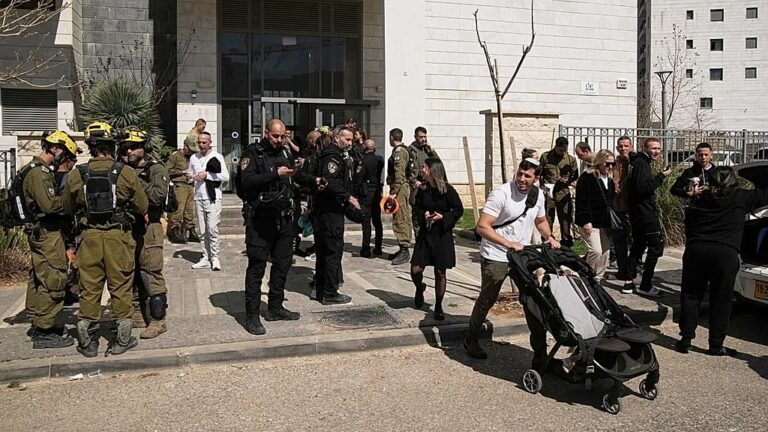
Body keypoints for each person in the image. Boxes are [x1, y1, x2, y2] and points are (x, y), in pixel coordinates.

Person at [463, 159, 560, 365]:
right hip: (496, 254)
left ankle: (540, 353)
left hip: (521, 255)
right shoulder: (501, 194)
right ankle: (471, 338)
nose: (522, 179)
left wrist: (549, 237)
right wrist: (507, 243)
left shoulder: (538, 195)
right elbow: (482, 227)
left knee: (533, 300)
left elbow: (540, 221)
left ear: (536, 178)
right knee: (488, 299)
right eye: (520, 174)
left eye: (528, 176)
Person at [63, 122, 148, 357]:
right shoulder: (126, 172)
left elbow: (67, 207)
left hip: (89, 238)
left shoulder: (77, 174)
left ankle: (87, 339)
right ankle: (121, 339)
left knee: (89, 288)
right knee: (120, 286)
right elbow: (142, 205)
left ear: (90, 146)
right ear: (112, 146)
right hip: (117, 238)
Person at [675, 166, 768, 356]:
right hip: (725, 254)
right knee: (721, 300)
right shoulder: (741, 197)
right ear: (733, 181)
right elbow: (765, 195)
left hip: (696, 251)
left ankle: (685, 339)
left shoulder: (698, 198)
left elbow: (689, 225)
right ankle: (716, 345)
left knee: (691, 296)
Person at [239, 119, 321, 335]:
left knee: (282, 265)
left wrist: (314, 181)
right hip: (261, 221)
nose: (278, 140)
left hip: (284, 220)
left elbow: (296, 176)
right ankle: (252, 316)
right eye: (275, 136)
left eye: (282, 136)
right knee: (257, 268)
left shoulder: (285, 152)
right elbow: (247, 181)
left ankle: (275, 307)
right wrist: (276, 174)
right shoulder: (253, 153)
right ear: (266, 133)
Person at [20, 130, 79, 349]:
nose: (65, 159)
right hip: (47, 233)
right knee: (53, 277)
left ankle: (40, 322)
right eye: (65, 153)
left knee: (40, 275)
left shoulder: (36, 170)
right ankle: (44, 329)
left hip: (41, 232)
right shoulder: (40, 173)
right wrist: (72, 198)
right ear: (55, 148)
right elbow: (50, 205)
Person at [121, 129, 170, 339]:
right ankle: (137, 314)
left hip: (150, 227)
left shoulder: (156, 169)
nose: (129, 151)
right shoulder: (123, 169)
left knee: (150, 272)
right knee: (130, 272)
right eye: (125, 148)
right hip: (128, 226)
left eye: (133, 147)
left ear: (145, 148)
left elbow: (158, 196)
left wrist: (132, 178)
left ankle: (158, 320)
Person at [410, 158, 464, 320]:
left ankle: (439, 305)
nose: (422, 170)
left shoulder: (448, 190)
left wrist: (443, 217)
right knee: (416, 270)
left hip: (442, 235)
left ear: (433, 171)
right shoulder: (423, 189)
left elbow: (458, 210)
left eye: (424, 168)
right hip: (426, 234)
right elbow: (417, 208)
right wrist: (424, 215)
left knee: (440, 272)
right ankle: (420, 287)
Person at [314, 125, 359, 305]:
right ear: (336, 138)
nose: (350, 143)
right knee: (332, 251)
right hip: (330, 212)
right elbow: (330, 181)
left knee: (325, 251)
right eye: (347, 140)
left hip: (328, 211)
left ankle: (322, 289)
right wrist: (348, 197)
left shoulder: (335, 155)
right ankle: (330, 292)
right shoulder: (333, 157)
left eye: (351, 140)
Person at [626, 137, 672, 297]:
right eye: (653, 148)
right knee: (656, 247)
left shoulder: (638, 163)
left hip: (639, 213)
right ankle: (645, 284)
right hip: (645, 215)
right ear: (644, 148)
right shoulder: (641, 164)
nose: (657, 152)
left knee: (638, 245)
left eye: (659, 148)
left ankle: (629, 280)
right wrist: (661, 176)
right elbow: (643, 188)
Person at [189, 131, 229, 271]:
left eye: (204, 142)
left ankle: (215, 257)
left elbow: (225, 176)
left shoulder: (217, 157)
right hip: (199, 196)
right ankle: (205, 257)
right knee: (203, 229)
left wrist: (207, 175)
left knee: (212, 228)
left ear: (210, 142)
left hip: (213, 197)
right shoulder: (194, 157)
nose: (201, 145)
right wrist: (190, 176)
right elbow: (190, 177)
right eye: (199, 142)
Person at [575, 149, 616, 280]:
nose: (610, 167)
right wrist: (586, 221)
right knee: (595, 250)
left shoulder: (609, 180)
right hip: (590, 220)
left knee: (605, 252)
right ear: (599, 162)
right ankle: (586, 274)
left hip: (604, 221)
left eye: (612, 164)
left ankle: (598, 277)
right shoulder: (587, 177)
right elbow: (582, 201)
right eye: (607, 164)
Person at [540, 137, 578, 247]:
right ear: (556, 146)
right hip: (549, 191)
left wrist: (568, 180)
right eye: (560, 150)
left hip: (563, 192)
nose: (563, 153)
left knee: (565, 219)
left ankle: (566, 244)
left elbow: (575, 175)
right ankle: (547, 243)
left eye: (565, 150)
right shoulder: (545, 157)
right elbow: (540, 173)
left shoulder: (570, 159)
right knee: (548, 218)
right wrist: (541, 187)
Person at [386, 128, 413, 265]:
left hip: (400, 188)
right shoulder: (401, 150)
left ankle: (404, 249)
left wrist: (394, 192)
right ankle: (402, 247)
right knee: (401, 216)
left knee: (401, 218)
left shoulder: (399, 152)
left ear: (392, 137)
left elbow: (399, 174)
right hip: (401, 187)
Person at [612, 136, 635, 294]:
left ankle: (631, 269)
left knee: (632, 240)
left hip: (631, 206)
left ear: (631, 146)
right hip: (616, 205)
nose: (623, 148)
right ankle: (622, 269)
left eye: (626, 145)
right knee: (618, 239)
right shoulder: (614, 163)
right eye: (620, 146)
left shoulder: (635, 162)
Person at [408, 126, 440, 239]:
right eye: (421, 137)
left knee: (430, 211)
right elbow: (406, 169)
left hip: (429, 186)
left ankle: (429, 236)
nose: (423, 139)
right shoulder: (410, 151)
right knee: (417, 214)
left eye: (425, 137)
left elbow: (437, 164)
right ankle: (418, 238)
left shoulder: (427, 149)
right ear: (415, 137)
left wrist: (432, 152)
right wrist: (413, 180)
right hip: (417, 186)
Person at [166, 139, 199, 243]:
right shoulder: (176, 156)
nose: (191, 152)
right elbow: (167, 170)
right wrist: (182, 172)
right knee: (179, 209)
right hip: (179, 185)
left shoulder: (193, 157)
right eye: (190, 149)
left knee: (189, 210)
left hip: (190, 185)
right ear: (185, 146)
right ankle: (175, 231)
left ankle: (191, 230)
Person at [357, 139, 384, 257]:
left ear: (365, 148)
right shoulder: (379, 160)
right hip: (377, 192)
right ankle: (378, 247)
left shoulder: (363, 161)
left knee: (366, 221)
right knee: (377, 221)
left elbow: (358, 178)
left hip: (367, 193)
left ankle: (366, 248)